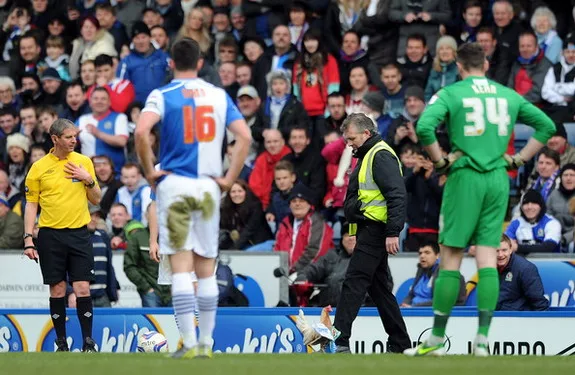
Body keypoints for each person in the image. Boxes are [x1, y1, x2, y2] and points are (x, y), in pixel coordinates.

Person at [404, 42, 556, 357]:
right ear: (486, 64)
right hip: (498, 179)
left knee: (451, 258)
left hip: (465, 177)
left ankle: (435, 340)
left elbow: (424, 126)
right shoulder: (507, 94)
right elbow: (547, 126)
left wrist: (441, 161)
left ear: (459, 67)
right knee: (487, 258)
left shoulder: (452, 93)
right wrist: (518, 159)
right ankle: (483, 340)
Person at [135, 38, 251, 359]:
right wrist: (229, 178)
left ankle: (187, 340)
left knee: (182, 268)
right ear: (201, 63)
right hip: (208, 188)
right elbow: (244, 136)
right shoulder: (218, 95)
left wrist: (148, 171)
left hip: (175, 184)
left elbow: (141, 132)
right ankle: (207, 344)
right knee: (206, 267)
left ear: (171, 63)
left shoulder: (162, 95)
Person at [332, 113, 411, 354]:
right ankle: (399, 343)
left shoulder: (380, 155)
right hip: (369, 229)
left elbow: (396, 195)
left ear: (366, 133)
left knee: (353, 283)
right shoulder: (369, 153)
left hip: (376, 230)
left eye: (352, 138)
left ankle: (339, 340)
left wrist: (392, 232)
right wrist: (355, 231)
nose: (349, 144)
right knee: (379, 290)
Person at [23, 118, 102, 352]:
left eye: (75, 136)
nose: (74, 140)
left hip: (79, 234)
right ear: (55, 139)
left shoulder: (83, 161)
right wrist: (28, 238)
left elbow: (96, 199)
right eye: (69, 137)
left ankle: (88, 341)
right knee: (57, 289)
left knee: (82, 289)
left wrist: (88, 178)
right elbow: (31, 205)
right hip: (50, 236)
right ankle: (61, 343)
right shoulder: (38, 168)